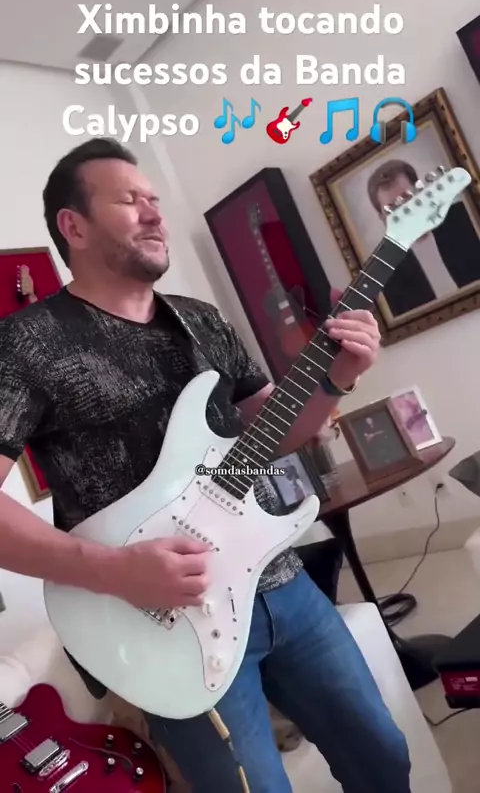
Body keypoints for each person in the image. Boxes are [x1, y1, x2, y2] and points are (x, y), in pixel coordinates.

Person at [0, 138, 411, 793]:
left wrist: (336, 378)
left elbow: (268, 431)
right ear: (73, 226)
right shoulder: (25, 343)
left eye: (154, 198)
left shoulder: (201, 320)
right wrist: (115, 571)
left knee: (383, 755)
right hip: (164, 621)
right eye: (129, 201)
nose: (154, 213)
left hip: (278, 579)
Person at [367, 159, 480, 317]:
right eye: (392, 209)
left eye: (407, 198)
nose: (404, 212)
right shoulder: (386, 273)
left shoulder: (467, 217)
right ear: (382, 219)